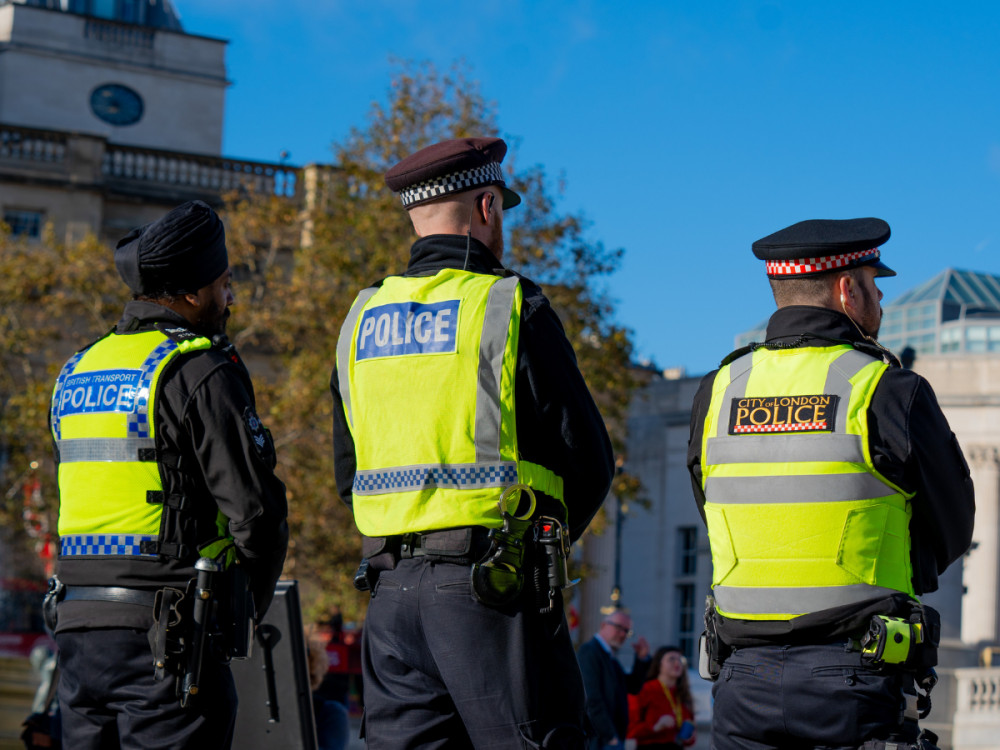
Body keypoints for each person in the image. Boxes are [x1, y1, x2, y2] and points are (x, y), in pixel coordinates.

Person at [330, 137, 615, 748]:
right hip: (492, 588)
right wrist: (541, 549)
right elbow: (588, 460)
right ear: (488, 205)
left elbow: (346, 471)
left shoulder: (360, 320)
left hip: (389, 594)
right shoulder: (510, 305)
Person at [687, 218, 975, 749]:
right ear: (848, 289)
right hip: (854, 678)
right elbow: (953, 525)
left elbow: (713, 507)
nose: (881, 297)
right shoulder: (888, 389)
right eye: (874, 281)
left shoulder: (719, 390)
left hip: (740, 678)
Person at [48, 200, 289, 750]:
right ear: (190, 293)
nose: (229, 298)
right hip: (169, 640)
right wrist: (243, 610)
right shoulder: (199, 369)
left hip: (78, 635)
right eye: (223, 285)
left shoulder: (77, 369)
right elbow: (255, 513)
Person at [577, 610, 652, 749]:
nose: (623, 634)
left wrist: (642, 659)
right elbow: (592, 699)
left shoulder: (609, 657)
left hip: (611, 738)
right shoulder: (589, 652)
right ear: (603, 625)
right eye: (619, 628)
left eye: (627, 631)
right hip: (599, 740)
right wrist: (609, 736)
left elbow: (632, 687)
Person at [626, 646, 695, 750]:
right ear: (659, 664)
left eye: (681, 659)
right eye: (671, 659)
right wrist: (655, 726)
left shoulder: (683, 693)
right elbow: (629, 730)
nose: (677, 663)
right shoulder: (644, 690)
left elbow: (691, 736)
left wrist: (689, 737)